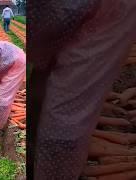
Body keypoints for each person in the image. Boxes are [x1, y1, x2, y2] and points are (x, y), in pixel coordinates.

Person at [29, 0, 136, 180]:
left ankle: (55, 168)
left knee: (66, 108)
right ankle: (37, 150)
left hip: (104, 14)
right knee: (45, 79)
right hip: (63, 11)